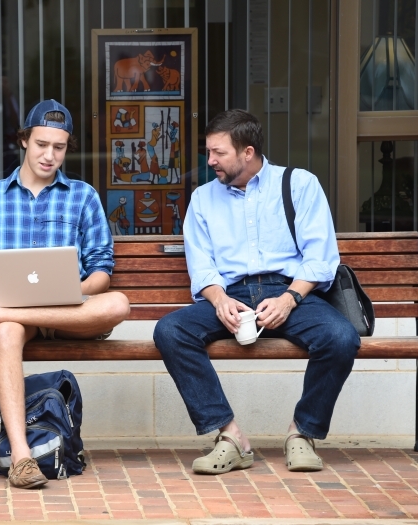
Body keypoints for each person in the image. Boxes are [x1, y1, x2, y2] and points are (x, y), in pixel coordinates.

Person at [153, 109, 360, 475]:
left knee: (341, 337)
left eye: (219, 153)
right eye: (209, 152)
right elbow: (201, 264)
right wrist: (219, 300)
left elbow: (321, 258)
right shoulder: (203, 198)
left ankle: (302, 434)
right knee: (170, 331)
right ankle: (231, 437)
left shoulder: (300, 184)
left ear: (247, 152)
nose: (210, 160)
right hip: (230, 294)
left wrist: (289, 299)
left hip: (290, 293)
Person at [0, 99, 130, 489]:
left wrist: (72, 292)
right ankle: (21, 458)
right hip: (16, 314)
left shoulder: (83, 196)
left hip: (71, 312)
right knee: (7, 331)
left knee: (119, 303)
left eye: (59, 147)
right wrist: (13, 299)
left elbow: (102, 270)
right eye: (41, 144)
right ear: (23, 141)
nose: (50, 155)